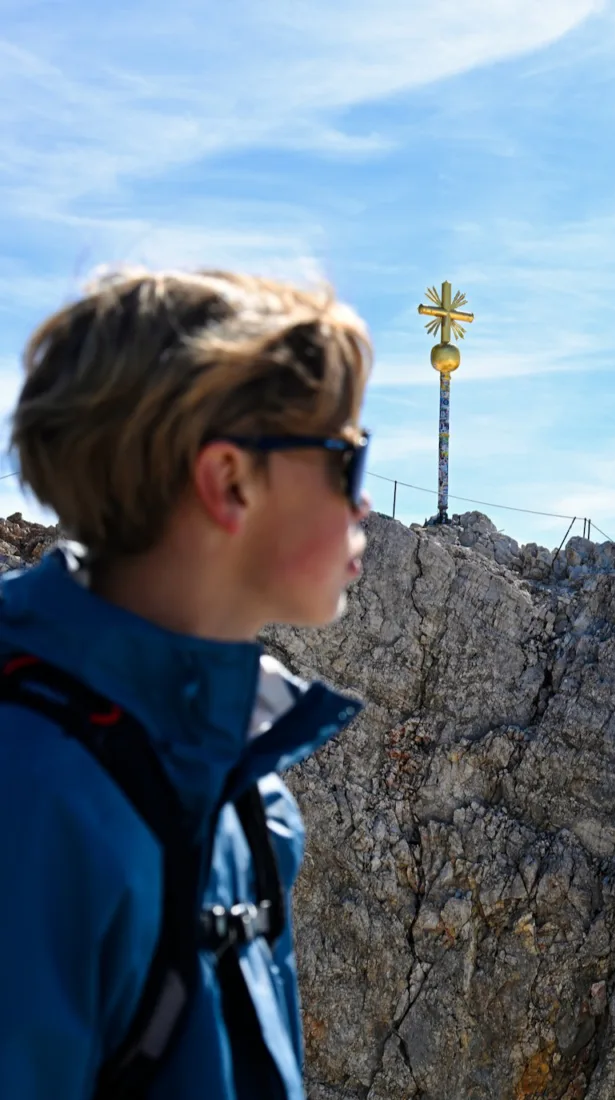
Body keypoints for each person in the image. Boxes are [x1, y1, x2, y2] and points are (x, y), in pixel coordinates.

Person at [0, 268, 373, 1099]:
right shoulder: (32, 796)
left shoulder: (240, 775)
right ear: (230, 481)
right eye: (347, 458)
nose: (368, 503)